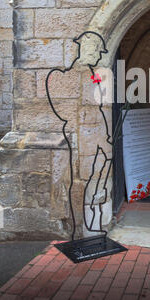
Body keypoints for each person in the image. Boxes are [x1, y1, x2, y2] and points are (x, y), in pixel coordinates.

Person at [46, 31, 112, 240]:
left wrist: (107, 136)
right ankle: (81, 227)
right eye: (96, 52)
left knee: (99, 178)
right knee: (82, 181)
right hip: (84, 137)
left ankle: (95, 224)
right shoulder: (62, 74)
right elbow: (64, 110)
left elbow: (102, 107)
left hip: (101, 137)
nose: (98, 56)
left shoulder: (96, 75)